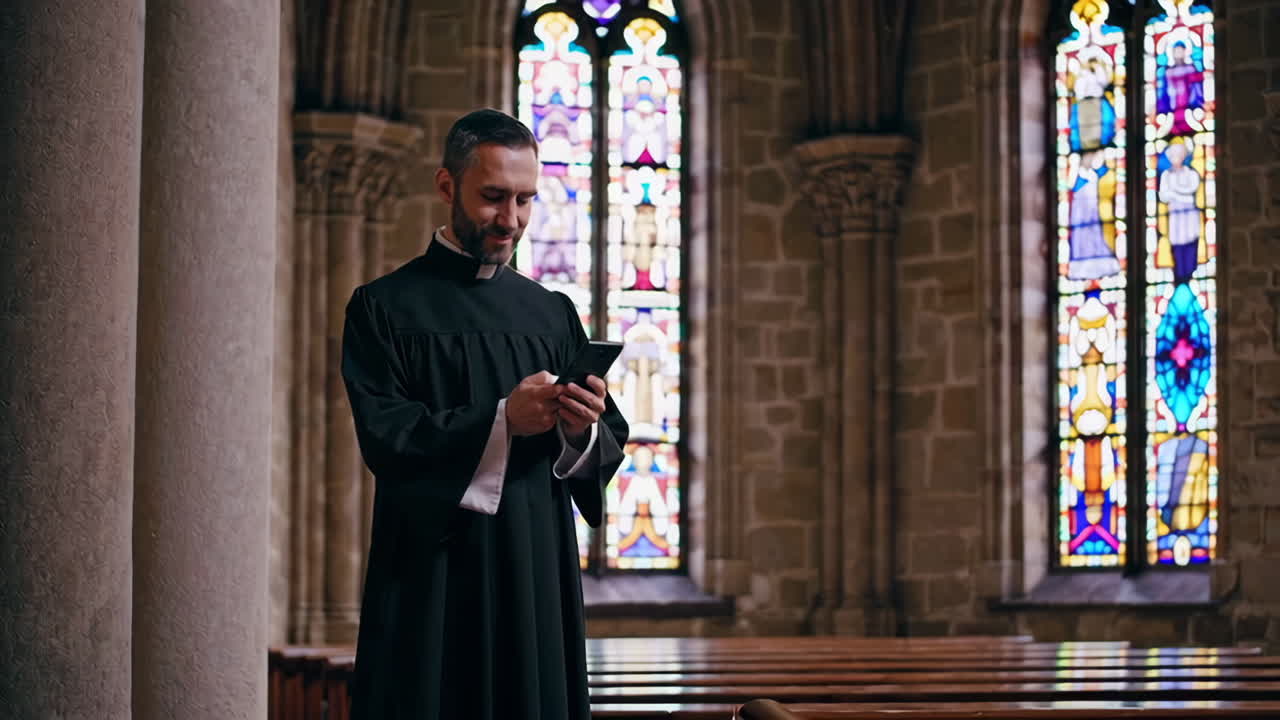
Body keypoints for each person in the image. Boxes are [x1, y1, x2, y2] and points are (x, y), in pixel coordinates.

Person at [341, 108, 629, 719]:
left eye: (526, 200)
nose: (512, 220)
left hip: (535, 569)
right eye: (493, 197)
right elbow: (386, 437)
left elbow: (607, 442)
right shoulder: (382, 309)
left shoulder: (551, 314)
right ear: (447, 186)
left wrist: (580, 429)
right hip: (430, 573)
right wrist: (501, 421)